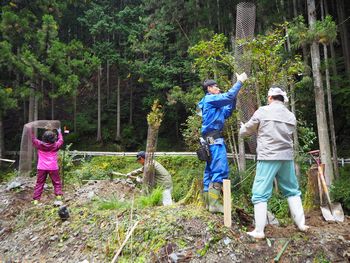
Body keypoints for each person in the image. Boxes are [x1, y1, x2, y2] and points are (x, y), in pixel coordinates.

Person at [239, 86, 309, 239]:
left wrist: (243, 128)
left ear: (270, 98)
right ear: (282, 99)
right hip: (286, 157)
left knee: (259, 193)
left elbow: (245, 132)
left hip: (268, 157)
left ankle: (259, 231)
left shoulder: (263, 111)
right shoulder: (290, 115)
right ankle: (301, 224)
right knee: (292, 190)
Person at [198, 73, 248, 213]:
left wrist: (235, 95)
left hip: (210, 142)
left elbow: (227, 111)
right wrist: (239, 83)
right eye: (216, 87)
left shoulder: (213, 105)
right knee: (220, 170)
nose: (218, 89)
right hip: (214, 142)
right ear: (209, 88)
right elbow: (228, 97)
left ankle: (209, 204)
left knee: (210, 172)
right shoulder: (210, 100)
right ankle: (214, 204)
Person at [31, 128, 64, 204]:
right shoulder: (56, 145)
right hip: (53, 167)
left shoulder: (39, 144)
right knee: (56, 182)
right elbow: (61, 140)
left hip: (41, 167)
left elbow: (33, 138)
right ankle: (58, 196)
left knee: (39, 183)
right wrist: (59, 132)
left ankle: (36, 200)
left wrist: (30, 130)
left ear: (44, 138)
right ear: (53, 138)